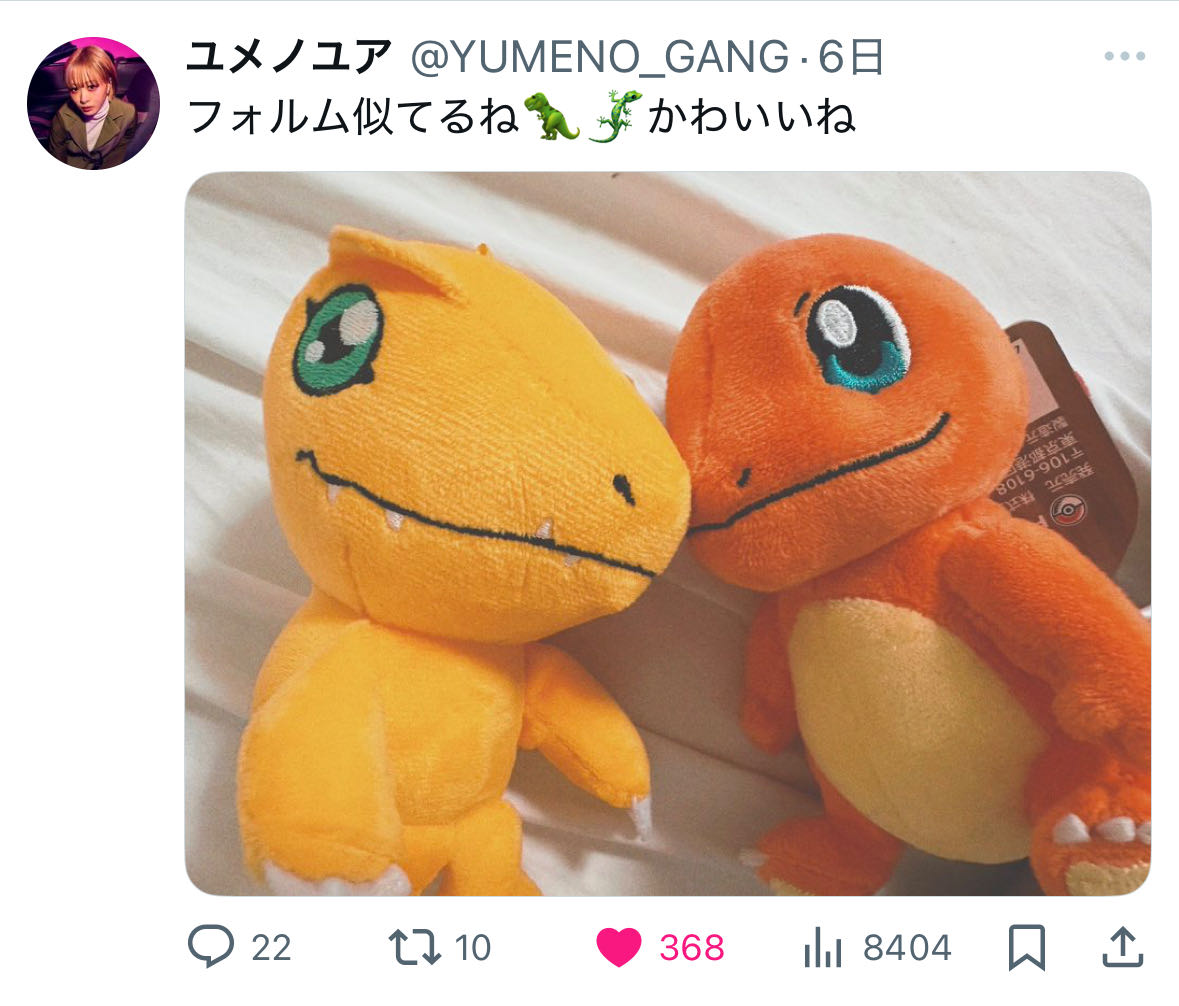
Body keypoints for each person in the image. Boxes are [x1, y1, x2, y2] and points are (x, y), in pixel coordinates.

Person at [48, 46, 137, 169]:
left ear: (109, 84)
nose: (83, 99)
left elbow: (122, 147)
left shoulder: (128, 114)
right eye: (74, 89)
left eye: (91, 87)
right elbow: (57, 156)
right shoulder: (62, 117)